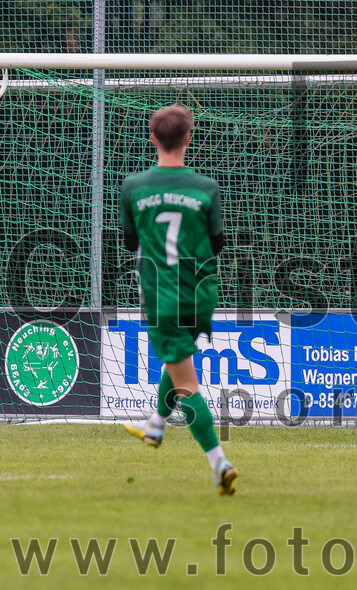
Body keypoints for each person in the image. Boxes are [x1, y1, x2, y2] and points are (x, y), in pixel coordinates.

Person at [121, 104, 238, 495]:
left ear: (153, 139)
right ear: (189, 139)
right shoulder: (205, 188)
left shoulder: (134, 186)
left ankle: (220, 464)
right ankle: (155, 426)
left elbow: (131, 242)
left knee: (187, 382)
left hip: (163, 296)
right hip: (201, 292)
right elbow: (218, 243)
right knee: (178, 360)